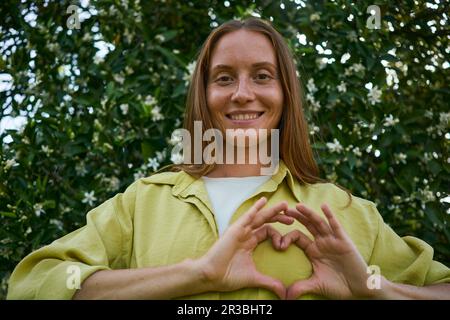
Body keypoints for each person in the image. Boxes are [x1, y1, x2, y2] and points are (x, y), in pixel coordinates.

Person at [7, 18, 450, 300]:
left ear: (285, 94)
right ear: (204, 95)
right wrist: (195, 274)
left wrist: (373, 288)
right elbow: (36, 285)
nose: (242, 93)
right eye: (224, 78)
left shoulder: (343, 212)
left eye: (262, 76)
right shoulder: (142, 203)